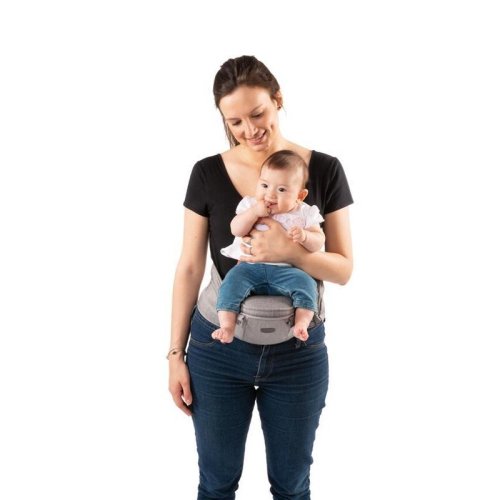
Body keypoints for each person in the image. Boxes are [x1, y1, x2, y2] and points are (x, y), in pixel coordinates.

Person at [168, 55, 354, 500]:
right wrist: (175, 354)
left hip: (297, 352)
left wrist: (288, 251)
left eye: (257, 114)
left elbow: (344, 268)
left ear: (278, 100)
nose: (249, 130)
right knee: (216, 483)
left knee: (292, 486)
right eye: (235, 122)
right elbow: (190, 267)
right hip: (217, 351)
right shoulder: (206, 173)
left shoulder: (324, 170)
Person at [213, 149, 325, 344]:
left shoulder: (305, 213)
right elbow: (235, 229)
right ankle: (227, 326)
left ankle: (301, 323)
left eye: (281, 190)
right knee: (231, 282)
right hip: (249, 267)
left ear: (300, 195)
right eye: (264, 185)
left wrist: (306, 236)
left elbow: (319, 241)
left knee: (307, 284)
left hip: (289, 271)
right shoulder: (250, 205)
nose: (270, 194)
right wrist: (253, 213)